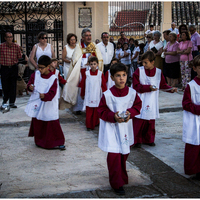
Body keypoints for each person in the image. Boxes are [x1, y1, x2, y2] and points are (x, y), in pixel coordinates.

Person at [98, 62, 142, 195]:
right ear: (112, 78)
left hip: (125, 129)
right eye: (118, 76)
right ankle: (116, 183)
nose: (121, 78)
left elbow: (137, 106)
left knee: (123, 154)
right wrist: (112, 116)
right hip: (111, 129)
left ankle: (121, 177)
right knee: (114, 157)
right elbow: (101, 110)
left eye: (124, 75)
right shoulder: (107, 95)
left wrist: (130, 113)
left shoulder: (133, 93)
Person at [132, 51, 177, 148]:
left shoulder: (158, 72)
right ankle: (137, 140)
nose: (143, 65)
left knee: (150, 121)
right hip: (141, 99)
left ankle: (149, 139)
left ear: (153, 62)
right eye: (143, 62)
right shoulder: (139, 71)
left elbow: (163, 85)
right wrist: (148, 88)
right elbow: (135, 86)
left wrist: (170, 89)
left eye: (146, 62)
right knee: (139, 121)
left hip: (152, 101)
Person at [25, 55, 65, 150]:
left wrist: (45, 96)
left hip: (49, 104)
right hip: (37, 103)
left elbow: (52, 93)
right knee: (39, 122)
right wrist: (30, 86)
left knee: (51, 123)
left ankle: (58, 142)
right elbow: (30, 83)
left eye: (42, 68)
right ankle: (39, 141)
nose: (40, 70)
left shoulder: (53, 79)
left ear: (48, 67)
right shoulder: (36, 74)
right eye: (39, 67)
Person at [61, 28, 103, 113]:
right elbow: (76, 60)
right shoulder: (78, 47)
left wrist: (93, 60)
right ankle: (79, 108)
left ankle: (91, 106)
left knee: (92, 89)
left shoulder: (94, 46)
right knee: (80, 89)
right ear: (82, 37)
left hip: (92, 71)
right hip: (81, 71)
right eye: (86, 35)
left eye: (90, 35)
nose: (89, 37)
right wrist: (86, 60)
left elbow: (100, 59)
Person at [182, 54, 200, 179]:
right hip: (196, 121)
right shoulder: (191, 86)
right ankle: (196, 170)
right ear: (195, 68)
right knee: (195, 146)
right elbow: (186, 104)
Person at [80, 56, 107, 131]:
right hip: (89, 95)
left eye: (94, 64)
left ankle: (95, 122)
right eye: (91, 64)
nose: (93, 66)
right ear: (89, 65)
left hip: (97, 94)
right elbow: (83, 84)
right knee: (89, 111)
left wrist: (105, 95)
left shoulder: (100, 74)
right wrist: (82, 94)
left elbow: (103, 85)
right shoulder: (87, 73)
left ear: (97, 64)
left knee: (96, 111)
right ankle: (89, 125)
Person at [0, 32, 22, 108]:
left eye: (11, 37)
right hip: (4, 67)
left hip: (13, 67)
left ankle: (12, 102)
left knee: (13, 85)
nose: (9, 38)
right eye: (8, 37)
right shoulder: (1, 46)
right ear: (5, 38)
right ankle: (5, 100)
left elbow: (19, 56)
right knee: (5, 85)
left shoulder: (16, 46)